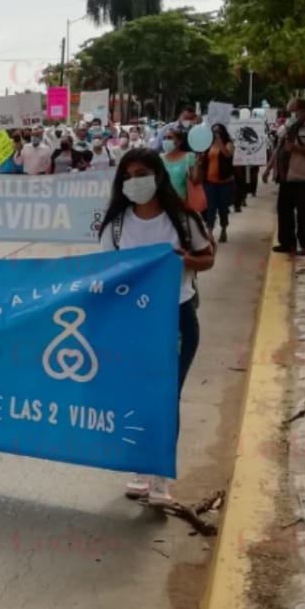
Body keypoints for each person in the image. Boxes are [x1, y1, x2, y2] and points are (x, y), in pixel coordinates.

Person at [97, 148, 214, 503]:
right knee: (136, 395)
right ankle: (141, 468)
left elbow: (207, 258)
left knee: (166, 396)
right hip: (132, 322)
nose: (136, 181)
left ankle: (161, 474)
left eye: (142, 173)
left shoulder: (182, 219)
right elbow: (104, 271)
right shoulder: (116, 225)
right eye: (129, 175)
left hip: (175, 319)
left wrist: (186, 261)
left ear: (158, 176)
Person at [272, 98, 305, 256]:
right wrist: (270, 169)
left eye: (294, 112)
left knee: (303, 212)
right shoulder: (290, 126)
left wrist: (296, 149)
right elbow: (279, 148)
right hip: (286, 176)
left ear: (302, 110)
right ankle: (287, 243)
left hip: (304, 176)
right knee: (284, 210)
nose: (292, 115)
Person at [198, 123, 236, 243]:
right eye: (214, 131)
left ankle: (223, 229)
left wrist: (220, 143)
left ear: (223, 132)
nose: (216, 134)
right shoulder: (208, 145)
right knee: (210, 208)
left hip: (224, 182)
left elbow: (228, 155)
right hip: (210, 182)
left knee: (223, 208)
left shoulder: (228, 144)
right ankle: (210, 232)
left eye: (218, 131)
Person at [159, 127, 198, 199]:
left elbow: (195, 181)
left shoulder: (189, 157)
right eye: (164, 138)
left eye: (169, 138)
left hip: (181, 202)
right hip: (162, 201)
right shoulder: (160, 158)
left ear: (179, 141)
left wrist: (198, 165)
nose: (166, 140)